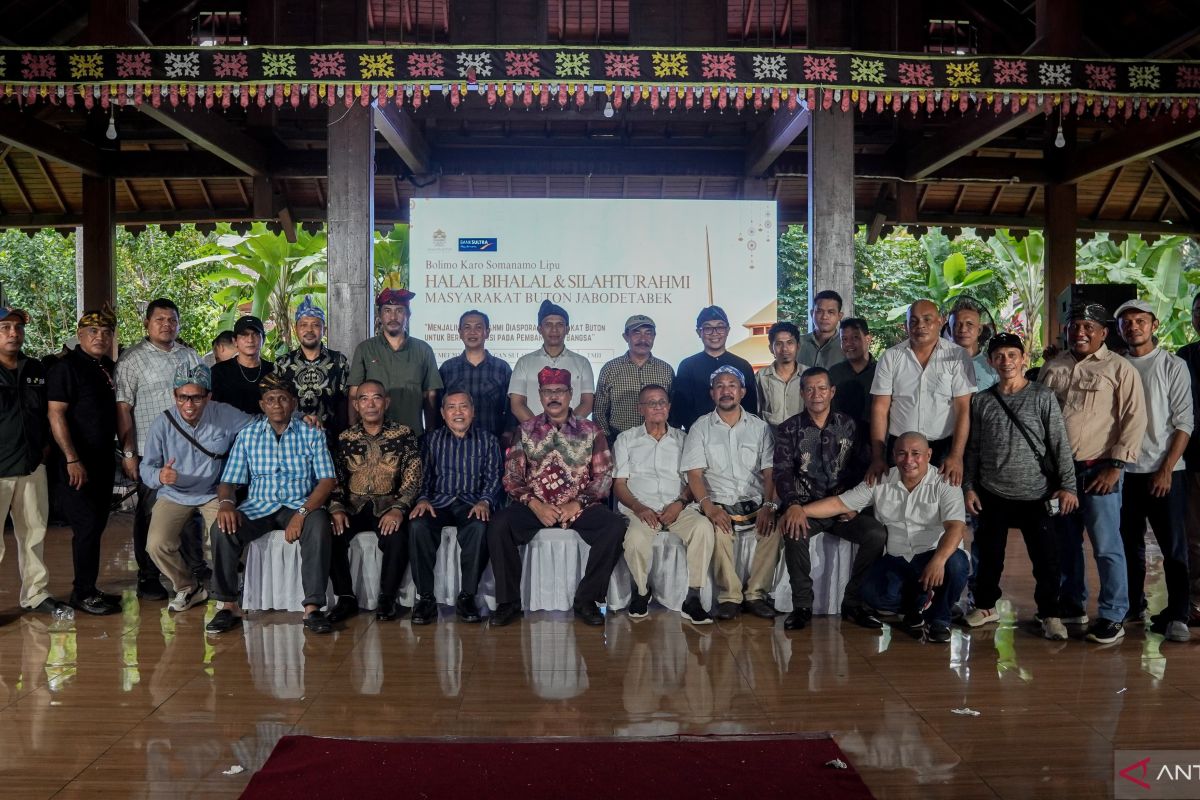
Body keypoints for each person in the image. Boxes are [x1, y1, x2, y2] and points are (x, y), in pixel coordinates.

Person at [1039, 303, 1147, 644]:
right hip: (1059, 475)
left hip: (1100, 469)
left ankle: (1114, 613)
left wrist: (1116, 467)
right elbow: (1038, 416)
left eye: (1088, 326)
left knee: (1106, 545)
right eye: (1074, 325)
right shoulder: (1053, 366)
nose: (1080, 332)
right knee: (1065, 544)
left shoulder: (1120, 368)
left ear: (1103, 332)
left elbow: (1134, 420)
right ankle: (1072, 604)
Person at [487, 367, 625, 628]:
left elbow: (604, 477)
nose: (554, 396)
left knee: (615, 526)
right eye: (548, 391)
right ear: (539, 395)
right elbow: (512, 477)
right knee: (499, 526)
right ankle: (508, 602)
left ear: (570, 394)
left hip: (579, 506)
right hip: (535, 507)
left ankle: (587, 599)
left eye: (560, 391)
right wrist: (536, 505)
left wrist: (577, 503)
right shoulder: (525, 430)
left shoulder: (591, 430)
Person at [801, 432, 970, 644]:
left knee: (957, 564)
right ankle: (916, 607)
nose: (908, 460)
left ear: (928, 455)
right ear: (893, 455)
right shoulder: (881, 479)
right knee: (871, 593)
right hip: (898, 557)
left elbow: (956, 527)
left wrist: (938, 560)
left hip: (934, 554)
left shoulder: (945, 482)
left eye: (916, 454)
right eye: (902, 453)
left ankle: (939, 619)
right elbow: (839, 503)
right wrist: (800, 511)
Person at [962, 333, 1077, 640]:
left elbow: (1059, 444)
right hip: (991, 491)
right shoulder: (982, 400)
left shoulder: (1042, 396)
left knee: (1046, 558)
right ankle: (985, 605)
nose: (1006, 362)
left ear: (1024, 359)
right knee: (988, 555)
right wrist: (969, 486)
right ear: (990, 362)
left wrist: (1069, 486)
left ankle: (1050, 612)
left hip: (1036, 492)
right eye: (999, 356)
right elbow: (973, 449)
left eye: (1012, 355)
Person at [205, 373, 337, 635]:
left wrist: (302, 513)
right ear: (262, 405)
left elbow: (326, 481)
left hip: (298, 504)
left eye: (283, 399)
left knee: (319, 522)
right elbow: (228, 481)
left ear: (294, 404)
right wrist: (227, 504)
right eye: (271, 399)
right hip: (259, 507)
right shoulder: (248, 436)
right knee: (221, 528)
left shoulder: (312, 435)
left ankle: (312, 608)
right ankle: (228, 604)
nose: (277, 404)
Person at [775, 367, 886, 631]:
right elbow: (782, 471)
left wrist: (855, 505)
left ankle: (854, 602)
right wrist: (792, 505)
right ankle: (802, 606)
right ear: (802, 393)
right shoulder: (788, 429)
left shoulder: (852, 427)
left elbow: (863, 470)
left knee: (876, 534)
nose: (816, 394)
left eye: (822, 388)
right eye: (810, 389)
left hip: (843, 508)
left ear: (832, 391)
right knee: (794, 531)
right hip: (805, 508)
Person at [140, 364, 254, 614]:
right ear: (175, 395)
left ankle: (229, 591)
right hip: (175, 494)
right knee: (157, 544)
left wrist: (301, 419)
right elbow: (145, 468)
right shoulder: (163, 423)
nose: (189, 404)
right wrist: (161, 475)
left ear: (208, 396)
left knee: (227, 534)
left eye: (196, 397)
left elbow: (259, 424)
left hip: (214, 492)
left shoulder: (224, 414)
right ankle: (187, 586)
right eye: (183, 397)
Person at [1115, 299, 1193, 642]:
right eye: (1127, 322)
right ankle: (1133, 605)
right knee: (1128, 545)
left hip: (1166, 471)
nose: (1133, 326)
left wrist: (1167, 468)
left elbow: (1184, 423)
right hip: (1124, 472)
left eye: (1140, 321)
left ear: (1154, 324)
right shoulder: (1115, 365)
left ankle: (1178, 614)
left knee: (1174, 546)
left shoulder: (1172, 366)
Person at [115, 297, 202, 600]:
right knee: (150, 512)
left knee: (191, 512)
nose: (167, 325)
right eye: (160, 320)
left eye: (172, 320)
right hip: (149, 452)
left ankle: (195, 571)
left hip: (190, 450)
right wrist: (128, 453)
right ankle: (147, 576)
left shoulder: (190, 357)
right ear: (147, 324)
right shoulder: (132, 359)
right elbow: (123, 408)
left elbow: (204, 399)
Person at [681, 366, 779, 621]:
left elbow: (770, 473)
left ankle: (756, 595)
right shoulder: (700, 427)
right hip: (718, 504)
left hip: (756, 503)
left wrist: (769, 505)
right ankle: (729, 598)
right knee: (718, 530)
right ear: (712, 393)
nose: (726, 391)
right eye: (720, 386)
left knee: (775, 529)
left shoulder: (760, 428)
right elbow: (694, 475)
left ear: (742, 391)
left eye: (732, 385)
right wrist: (710, 508)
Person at [613, 384, 715, 625]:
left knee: (703, 528)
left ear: (669, 408)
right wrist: (639, 508)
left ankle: (693, 596)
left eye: (661, 402)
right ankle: (641, 590)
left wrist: (679, 503)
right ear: (641, 409)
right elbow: (619, 484)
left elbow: (694, 478)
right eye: (651, 403)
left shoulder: (685, 439)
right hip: (641, 508)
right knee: (635, 540)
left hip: (678, 507)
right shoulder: (626, 439)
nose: (657, 407)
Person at [45, 306, 122, 615]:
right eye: (93, 332)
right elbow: (56, 413)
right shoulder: (67, 368)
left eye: (106, 332)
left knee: (97, 524)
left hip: (103, 460)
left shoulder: (105, 367)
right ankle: (82, 593)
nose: (100, 337)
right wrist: (72, 458)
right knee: (87, 525)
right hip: (76, 463)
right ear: (80, 335)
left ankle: (89, 586)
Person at [328, 379, 422, 623]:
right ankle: (346, 598)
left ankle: (387, 598)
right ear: (356, 405)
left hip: (388, 504)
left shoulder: (404, 434)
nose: (371, 404)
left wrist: (400, 508)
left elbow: (413, 478)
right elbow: (335, 478)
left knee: (398, 536)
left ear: (386, 402)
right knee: (331, 532)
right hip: (353, 505)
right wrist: (337, 508)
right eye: (364, 399)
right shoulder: (345, 438)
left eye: (376, 398)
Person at [408, 390, 502, 625]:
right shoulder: (431, 440)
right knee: (418, 525)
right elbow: (422, 477)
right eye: (451, 407)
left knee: (480, 528)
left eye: (463, 407)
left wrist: (485, 500)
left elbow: (494, 478)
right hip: (439, 502)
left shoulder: (488, 440)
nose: (458, 412)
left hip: (472, 502)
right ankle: (426, 598)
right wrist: (422, 499)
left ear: (473, 411)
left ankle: (467, 596)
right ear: (442, 413)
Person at [0, 300, 66, 616]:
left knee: (34, 533)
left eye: (18, 327)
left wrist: (44, 453)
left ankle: (36, 594)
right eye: (5, 328)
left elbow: (46, 414)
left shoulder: (35, 369)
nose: (13, 333)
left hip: (31, 467)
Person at [867, 299, 976, 486]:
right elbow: (880, 409)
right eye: (914, 321)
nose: (921, 326)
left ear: (940, 321)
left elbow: (963, 409)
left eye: (927, 319)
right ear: (906, 325)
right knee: (898, 505)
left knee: (939, 508)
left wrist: (956, 456)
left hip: (942, 449)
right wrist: (878, 456)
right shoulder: (891, 357)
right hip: (900, 449)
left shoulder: (958, 356)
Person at [348, 288, 442, 436]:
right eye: (387, 311)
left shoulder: (423, 350)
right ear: (379, 315)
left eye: (399, 310)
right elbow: (354, 395)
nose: (393, 316)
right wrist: (353, 433)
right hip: (373, 438)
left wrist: (431, 433)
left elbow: (430, 396)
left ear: (408, 315)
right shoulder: (365, 349)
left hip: (413, 436)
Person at [274, 296, 349, 450]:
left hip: (331, 443)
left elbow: (347, 402)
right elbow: (276, 404)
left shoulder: (338, 361)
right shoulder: (282, 363)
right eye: (304, 325)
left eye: (315, 325)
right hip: (291, 443)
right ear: (296, 329)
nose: (309, 330)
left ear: (324, 330)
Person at [670, 306, 758, 430]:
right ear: (698, 332)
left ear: (728, 330)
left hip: (738, 435)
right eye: (707, 328)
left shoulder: (742, 366)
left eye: (720, 327)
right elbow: (680, 410)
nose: (714, 333)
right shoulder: (688, 366)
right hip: (698, 437)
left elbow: (751, 408)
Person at [509, 300, 595, 422]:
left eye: (559, 325)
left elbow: (587, 403)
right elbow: (517, 405)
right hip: (532, 437)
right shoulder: (524, 363)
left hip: (573, 437)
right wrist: (539, 431)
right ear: (539, 329)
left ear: (567, 329)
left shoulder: (582, 363)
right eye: (548, 325)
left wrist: (566, 429)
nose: (554, 330)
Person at [594, 314, 675, 442]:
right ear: (626, 337)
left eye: (648, 333)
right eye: (636, 333)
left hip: (659, 441)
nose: (643, 339)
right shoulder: (610, 369)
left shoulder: (666, 370)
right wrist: (607, 442)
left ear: (654, 336)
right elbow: (599, 411)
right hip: (618, 439)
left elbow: (673, 409)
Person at [438, 309, 514, 441]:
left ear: (487, 333)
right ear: (460, 333)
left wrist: (508, 434)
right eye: (467, 327)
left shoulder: (502, 368)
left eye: (478, 327)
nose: (472, 332)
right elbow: (438, 409)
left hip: (493, 444)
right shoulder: (447, 368)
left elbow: (511, 409)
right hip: (454, 445)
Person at [1177, 291, 1200, 626]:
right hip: (1194, 457)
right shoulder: (1184, 356)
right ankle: (1195, 600)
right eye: (1198, 310)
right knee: (1193, 535)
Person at [211, 315, 274, 416]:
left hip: (267, 429)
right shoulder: (219, 371)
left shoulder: (274, 370)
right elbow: (212, 409)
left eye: (255, 334)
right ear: (235, 341)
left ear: (263, 339)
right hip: (229, 429)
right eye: (244, 335)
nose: (250, 340)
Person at [755, 321, 805, 430]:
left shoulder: (808, 375)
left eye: (790, 343)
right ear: (771, 348)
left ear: (798, 346)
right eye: (778, 344)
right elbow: (756, 412)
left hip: (802, 438)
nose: (785, 349)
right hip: (770, 440)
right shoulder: (761, 376)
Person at [829, 318, 876, 429]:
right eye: (844, 339)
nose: (849, 344)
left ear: (868, 339)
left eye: (855, 338)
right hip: (839, 438)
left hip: (873, 439)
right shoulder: (834, 372)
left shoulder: (881, 371)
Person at [947, 298, 998, 391]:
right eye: (957, 325)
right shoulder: (937, 363)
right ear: (949, 331)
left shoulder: (994, 365)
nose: (963, 329)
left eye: (969, 324)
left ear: (979, 330)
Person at [797, 289, 846, 369]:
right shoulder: (796, 343)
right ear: (812, 313)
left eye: (831, 312)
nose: (824, 317)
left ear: (839, 316)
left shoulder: (846, 346)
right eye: (819, 311)